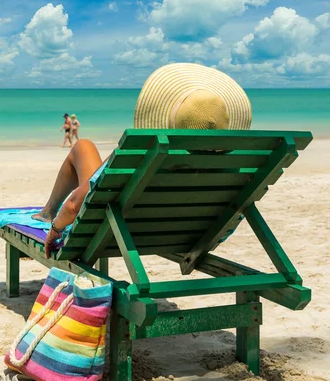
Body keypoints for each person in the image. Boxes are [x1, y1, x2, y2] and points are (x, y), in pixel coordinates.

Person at [33, 62, 252, 258]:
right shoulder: (235, 167)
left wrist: (56, 230)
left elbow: (73, 206)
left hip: (118, 232)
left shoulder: (141, 156)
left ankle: (48, 212)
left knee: (83, 146)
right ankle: (48, 210)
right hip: (193, 236)